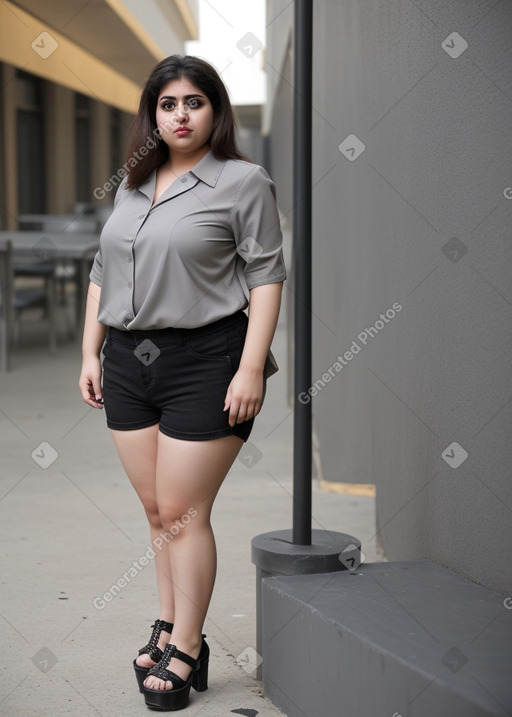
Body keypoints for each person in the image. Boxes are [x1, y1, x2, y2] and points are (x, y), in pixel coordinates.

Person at [78, 54, 286, 711]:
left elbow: (266, 274)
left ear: (215, 110)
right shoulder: (134, 185)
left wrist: (252, 364)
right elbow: (102, 270)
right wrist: (90, 352)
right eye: (168, 104)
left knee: (185, 512)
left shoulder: (243, 182)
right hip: (128, 365)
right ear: (153, 115)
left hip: (208, 358)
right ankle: (168, 622)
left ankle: (189, 648)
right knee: (158, 513)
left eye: (193, 102)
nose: (180, 115)